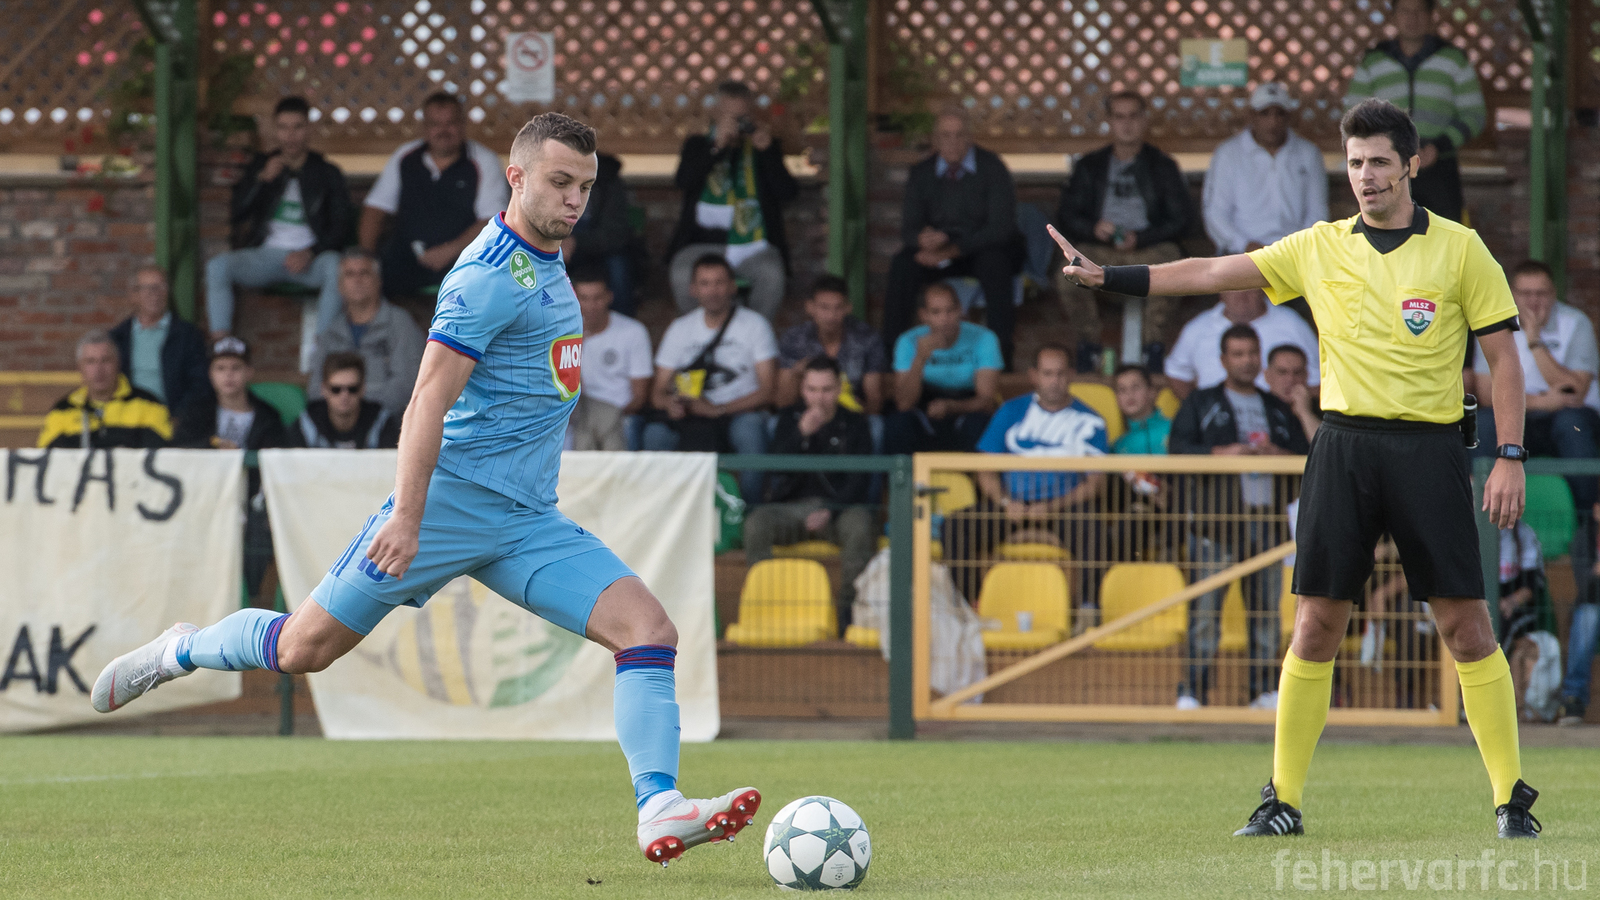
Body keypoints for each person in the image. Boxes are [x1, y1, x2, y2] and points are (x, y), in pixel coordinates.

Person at [93, 112, 761, 867]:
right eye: (559, 182)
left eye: (585, 186)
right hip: (448, 505)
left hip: (525, 521)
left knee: (649, 631)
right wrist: (409, 516)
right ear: (516, 177)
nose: (575, 199)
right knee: (304, 648)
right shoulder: (484, 278)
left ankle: (659, 805)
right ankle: (182, 649)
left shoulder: (551, 259)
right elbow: (426, 401)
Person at [1049, 98, 1539, 838]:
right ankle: (1282, 799)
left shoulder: (1462, 249)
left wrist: (1509, 455)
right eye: (1355, 162)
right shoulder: (1318, 245)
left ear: (1411, 165)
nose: (1366, 175)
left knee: (1466, 627)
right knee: (1314, 624)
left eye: (1380, 161)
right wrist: (1110, 276)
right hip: (1341, 448)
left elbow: (1504, 359)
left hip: (1430, 450)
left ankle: (1510, 800)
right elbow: (1213, 270)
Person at [1169, 325, 1309, 711]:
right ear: (1223, 360)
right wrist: (1221, 454)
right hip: (1215, 522)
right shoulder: (1201, 402)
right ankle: (1193, 692)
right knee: (1204, 614)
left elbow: (1306, 456)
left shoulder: (1276, 407)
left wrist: (1277, 456)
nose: (1246, 360)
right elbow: (1176, 450)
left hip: (1268, 521)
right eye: (1238, 354)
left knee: (1266, 614)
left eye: (1251, 353)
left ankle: (1262, 691)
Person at [948, 344, 1108, 602]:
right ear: (1034, 376)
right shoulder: (1010, 411)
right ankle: (971, 605)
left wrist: (1053, 507)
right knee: (955, 526)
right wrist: (1005, 502)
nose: (1054, 381)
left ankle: (1089, 610)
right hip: (1012, 506)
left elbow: (1095, 484)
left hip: (1063, 507)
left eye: (1060, 374)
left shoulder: (1091, 420)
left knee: (1095, 531)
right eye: (1047, 374)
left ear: (1071, 375)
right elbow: (985, 470)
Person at [206, 96, 353, 371]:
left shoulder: (326, 172)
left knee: (337, 266)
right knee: (218, 266)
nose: (290, 135)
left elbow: (341, 225)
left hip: (309, 259)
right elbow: (236, 214)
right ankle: (222, 349)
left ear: (309, 129)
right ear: (274, 131)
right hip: (268, 255)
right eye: (283, 128)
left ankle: (322, 353)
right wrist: (261, 181)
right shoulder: (262, 166)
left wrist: (311, 252)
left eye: (298, 127)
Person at [1054, 92, 1192, 367]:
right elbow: (1066, 215)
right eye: (1119, 117)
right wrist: (1093, 228)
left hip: (1149, 248)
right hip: (1101, 248)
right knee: (1069, 271)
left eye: (1133, 116)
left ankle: (1153, 351)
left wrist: (1140, 237)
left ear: (1144, 120)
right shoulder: (1090, 166)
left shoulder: (1162, 166)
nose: (1126, 124)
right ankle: (1090, 348)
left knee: (1173, 267)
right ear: (1109, 121)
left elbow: (1181, 219)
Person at [883, 108, 1022, 366]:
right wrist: (922, 240)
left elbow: (1001, 228)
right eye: (946, 136)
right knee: (902, 266)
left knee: (997, 265)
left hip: (980, 249)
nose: (953, 142)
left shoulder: (992, 168)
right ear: (935, 139)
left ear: (970, 137)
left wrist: (953, 248)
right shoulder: (922, 172)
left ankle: (1001, 360)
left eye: (959, 135)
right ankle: (892, 359)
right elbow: (908, 228)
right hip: (937, 252)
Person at [744, 357, 876, 628]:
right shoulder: (788, 419)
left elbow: (861, 480)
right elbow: (774, 467)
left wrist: (831, 510)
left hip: (837, 509)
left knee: (861, 526)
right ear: (803, 390)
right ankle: (767, 603)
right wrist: (801, 433)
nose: (819, 397)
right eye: (812, 389)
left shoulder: (855, 423)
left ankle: (848, 614)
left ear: (839, 389)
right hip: (792, 508)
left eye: (826, 390)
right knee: (756, 523)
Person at [1472, 259, 1600, 517]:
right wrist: (1544, 401)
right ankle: (1482, 517)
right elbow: (1485, 393)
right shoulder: (1495, 324)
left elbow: (1576, 392)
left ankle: (1586, 520)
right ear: (1512, 294)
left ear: (1553, 293)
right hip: (1516, 420)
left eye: (1541, 293)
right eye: (1525, 293)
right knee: (1482, 423)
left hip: (1564, 421)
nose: (1533, 301)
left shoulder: (1575, 322)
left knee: (1573, 424)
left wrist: (1534, 340)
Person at [645, 254, 777, 502]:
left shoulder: (755, 325)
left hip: (739, 412)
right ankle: (662, 509)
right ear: (693, 289)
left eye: (719, 283)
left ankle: (749, 512)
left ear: (732, 286)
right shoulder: (680, 328)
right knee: (655, 434)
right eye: (705, 283)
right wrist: (671, 404)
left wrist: (719, 409)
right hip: (692, 413)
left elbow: (768, 390)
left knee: (750, 431)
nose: (712, 291)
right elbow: (657, 393)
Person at [667, 80, 798, 321]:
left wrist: (768, 153)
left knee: (772, 274)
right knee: (682, 273)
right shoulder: (698, 145)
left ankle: (752, 333)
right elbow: (684, 181)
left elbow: (787, 193)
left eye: (742, 118)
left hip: (754, 244)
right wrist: (716, 147)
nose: (737, 125)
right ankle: (703, 332)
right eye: (731, 118)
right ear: (716, 114)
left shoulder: (763, 148)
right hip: (703, 242)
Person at [1344, 0, 1485, 223]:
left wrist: (1438, 147)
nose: (1413, 18)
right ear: (1394, 16)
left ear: (1431, 16)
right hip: (1387, 167)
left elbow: (1474, 115)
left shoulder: (1453, 59)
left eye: (1419, 11)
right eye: (1405, 12)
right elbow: (1354, 115)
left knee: (1444, 235)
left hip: (1439, 166)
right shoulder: (1373, 61)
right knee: (1387, 233)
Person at [359, 92, 510, 300]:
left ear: (463, 125)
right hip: (406, 258)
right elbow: (375, 210)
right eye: (435, 124)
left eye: (451, 123)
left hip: (462, 260)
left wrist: (449, 250)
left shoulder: (483, 160)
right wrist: (366, 259)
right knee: (365, 278)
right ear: (424, 128)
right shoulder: (405, 156)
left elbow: (493, 221)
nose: (443, 131)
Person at [171, 337, 291, 596]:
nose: (228, 376)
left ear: (249, 372)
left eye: (236, 368)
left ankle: (255, 603)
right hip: (202, 503)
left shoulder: (269, 417)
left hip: (252, 509)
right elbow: (178, 453)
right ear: (210, 374)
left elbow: (278, 465)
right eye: (221, 368)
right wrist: (211, 446)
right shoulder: (194, 412)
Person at [1202, 83, 1329, 257]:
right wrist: (1244, 245)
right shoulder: (1228, 154)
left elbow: (1317, 213)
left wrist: (1298, 248)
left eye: (1279, 113)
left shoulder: (1308, 153)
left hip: (1295, 253)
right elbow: (1216, 214)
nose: (1273, 122)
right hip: (1240, 255)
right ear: (1252, 115)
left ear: (1288, 116)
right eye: (1264, 113)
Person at [884, 283, 1001, 455]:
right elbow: (904, 404)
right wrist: (920, 358)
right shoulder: (908, 341)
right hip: (924, 405)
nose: (944, 319)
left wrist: (951, 406)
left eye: (950, 311)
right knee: (898, 424)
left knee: (980, 424)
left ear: (960, 310)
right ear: (924, 315)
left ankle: (975, 473)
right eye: (936, 312)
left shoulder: (984, 338)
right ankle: (905, 474)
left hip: (966, 406)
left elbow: (986, 400)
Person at [308, 249, 426, 419]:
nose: (357, 280)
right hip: (338, 424)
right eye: (349, 274)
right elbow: (315, 387)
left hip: (388, 424)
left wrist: (363, 413)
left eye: (364, 273)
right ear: (340, 285)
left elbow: (407, 384)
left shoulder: (400, 323)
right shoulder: (331, 331)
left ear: (378, 281)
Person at [774, 274, 888, 437]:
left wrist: (853, 414)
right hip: (806, 415)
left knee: (876, 425)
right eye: (824, 307)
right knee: (774, 424)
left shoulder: (867, 338)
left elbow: (874, 400)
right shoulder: (794, 339)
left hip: (853, 416)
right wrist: (796, 375)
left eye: (838, 307)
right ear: (810, 307)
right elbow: (782, 403)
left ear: (848, 307)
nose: (831, 315)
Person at [1164, 288, 1320, 399]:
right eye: (1234, 288)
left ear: (1263, 289)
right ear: (1220, 292)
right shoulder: (1198, 327)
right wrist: (1200, 410)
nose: (1242, 296)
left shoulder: (1292, 323)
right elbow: (1177, 373)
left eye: (1249, 288)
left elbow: (1319, 380)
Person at [37, 331, 171, 449]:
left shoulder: (149, 406)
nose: (98, 370)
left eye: (106, 360)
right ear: (80, 367)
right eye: (90, 362)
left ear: (118, 363)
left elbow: (165, 457)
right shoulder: (62, 411)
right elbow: (47, 460)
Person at [570, 265, 652, 451]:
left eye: (597, 298)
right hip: (577, 417)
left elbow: (639, 397)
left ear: (609, 296)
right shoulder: (564, 333)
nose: (591, 306)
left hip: (622, 415)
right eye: (584, 298)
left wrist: (607, 418)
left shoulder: (633, 331)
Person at [108, 266, 211, 415]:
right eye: (147, 288)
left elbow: (199, 384)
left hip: (172, 418)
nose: (154, 294)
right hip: (128, 418)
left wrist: (180, 417)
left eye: (160, 287)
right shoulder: (118, 337)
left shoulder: (188, 335)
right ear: (134, 295)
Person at [565, 151, 640, 315]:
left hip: (602, 247)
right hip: (560, 244)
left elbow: (616, 233)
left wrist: (576, 241)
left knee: (618, 266)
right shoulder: (546, 181)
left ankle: (621, 321)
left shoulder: (607, 179)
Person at [289, 352, 402, 450]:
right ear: (324, 389)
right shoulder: (306, 423)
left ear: (362, 389)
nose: (344, 396)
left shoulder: (381, 422)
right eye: (336, 389)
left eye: (352, 389)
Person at [1264, 344, 1322, 441]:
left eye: (1297, 373)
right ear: (1267, 376)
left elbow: (1325, 446)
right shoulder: (1259, 405)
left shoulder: (1321, 408)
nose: (1290, 379)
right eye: (1282, 372)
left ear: (1306, 376)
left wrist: (1305, 413)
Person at [1112, 363, 1171, 455]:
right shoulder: (1118, 446)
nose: (1129, 395)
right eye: (1122, 390)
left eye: (1135, 387)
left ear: (1151, 392)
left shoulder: (1173, 430)